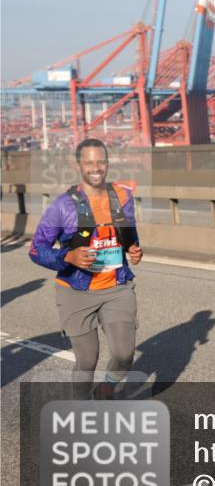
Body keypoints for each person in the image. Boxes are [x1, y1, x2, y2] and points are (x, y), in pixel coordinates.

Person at [29, 138, 143, 400]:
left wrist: (133, 249)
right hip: (76, 291)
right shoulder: (62, 206)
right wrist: (67, 256)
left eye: (101, 162)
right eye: (89, 162)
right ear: (77, 165)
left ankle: (105, 390)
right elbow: (36, 249)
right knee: (87, 360)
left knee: (124, 354)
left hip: (117, 287)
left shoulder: (122, 197)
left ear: (108, 164)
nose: (96, 168)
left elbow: (128, 233)